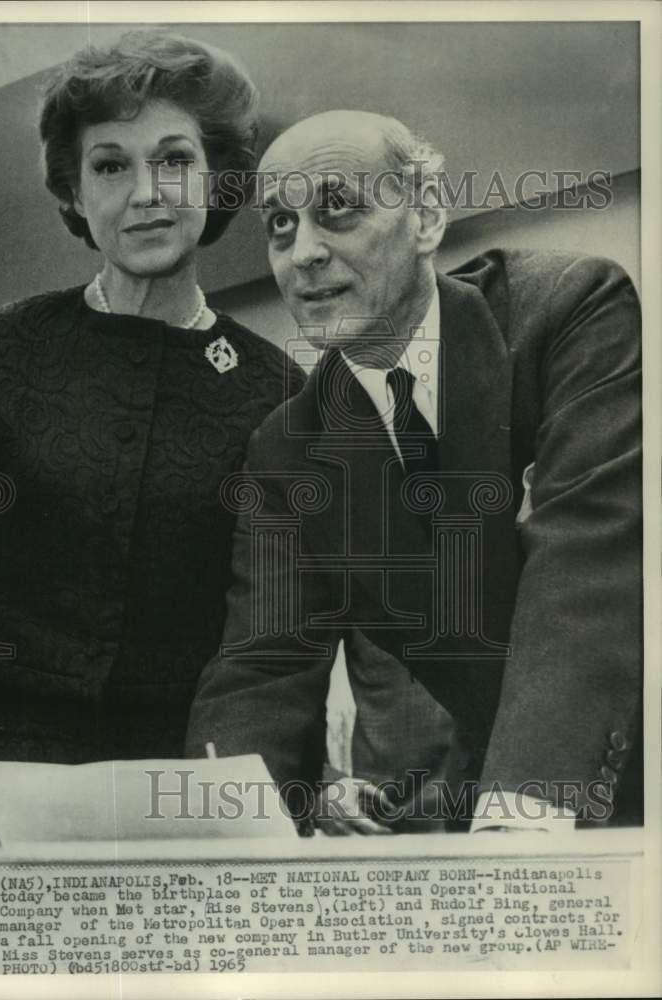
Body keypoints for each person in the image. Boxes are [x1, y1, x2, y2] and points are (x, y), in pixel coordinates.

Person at [186, 110, 642, 831]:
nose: (303, 252)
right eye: (280, 224)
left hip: (580, 769)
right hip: (496, 785)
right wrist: (216, 835)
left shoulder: (569, 310)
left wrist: (521, 823)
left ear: (426, 216)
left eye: (338, 208)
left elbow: (587, 563)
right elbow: (263, 666)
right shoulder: (287, 448)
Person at [0, 29, 305, 767]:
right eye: (111, 165)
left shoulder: (276, 390)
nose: (147, 193)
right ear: (74, 192)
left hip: (188, 767)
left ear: (218, 179)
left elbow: (282, 638)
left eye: (175, 160)